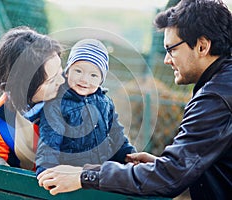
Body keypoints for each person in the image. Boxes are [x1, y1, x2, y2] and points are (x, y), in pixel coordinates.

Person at [37, 0, 232, 199]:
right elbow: (182, 169)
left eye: (171, 49)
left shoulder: (215, 99)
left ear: (202, 46)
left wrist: (84, 176)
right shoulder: (223, 85)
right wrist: (160, 167)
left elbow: (170, 176)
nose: (166, 59)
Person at [35, 39, 137, 175]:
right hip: (72, 176)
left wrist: (127, 154)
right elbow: (50, 143)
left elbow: (116, 133)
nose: (84, 79)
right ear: (67, 72)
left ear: (101, 80)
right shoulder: (57, 105)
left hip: (101, 174)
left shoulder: (105, 102)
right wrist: (47, 170)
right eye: (78, 71)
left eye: (93, 75)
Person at [0, 26, 65, 171]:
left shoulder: (78, 99)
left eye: (61, 71)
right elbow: (0, 182)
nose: (62, 81)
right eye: (51, 80)